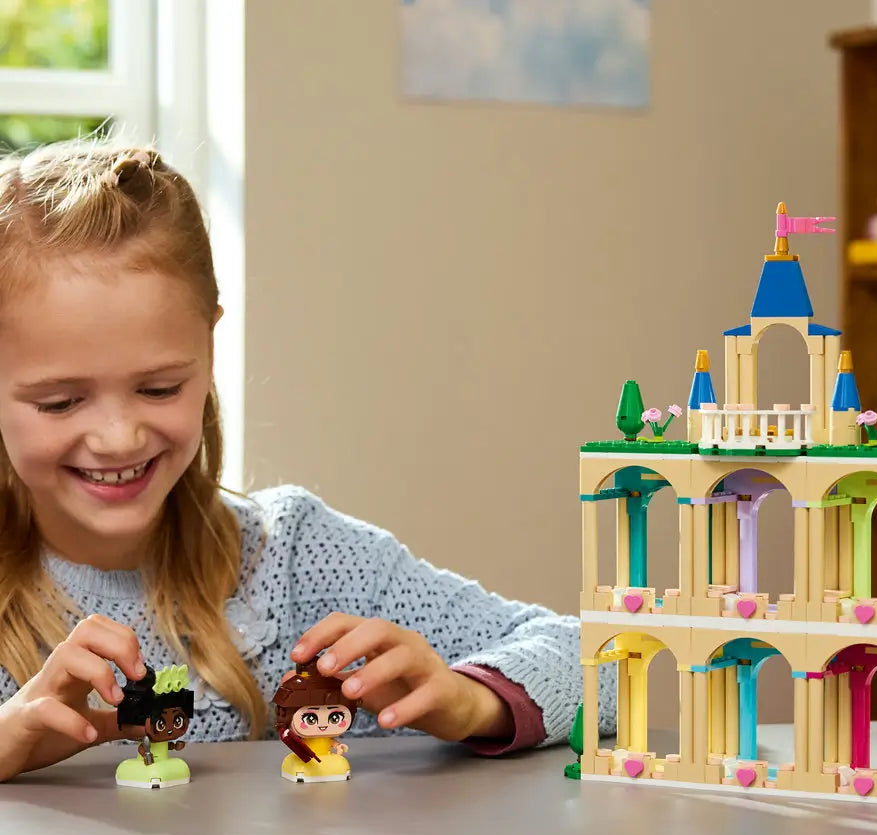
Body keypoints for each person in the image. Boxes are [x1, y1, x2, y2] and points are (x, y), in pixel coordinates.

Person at [0, 140, 613, 782]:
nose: (118, 437)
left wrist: (470, 700)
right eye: (62, 402)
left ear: (209, 347)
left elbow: (602, 661)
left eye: (159, 389)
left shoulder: (294, 559)